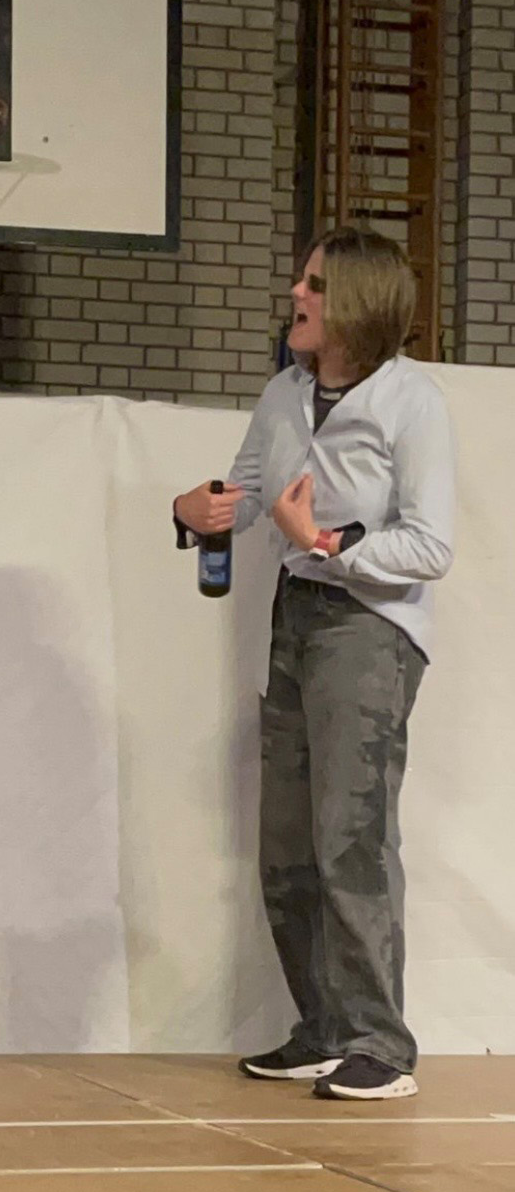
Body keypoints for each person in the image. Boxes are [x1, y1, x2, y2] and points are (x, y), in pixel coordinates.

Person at [173, 227, 455, 1100]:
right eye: (301, 280)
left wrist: (327, 544)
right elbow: (247, 493)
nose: (295, 294)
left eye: (314, 284)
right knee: (286, 845)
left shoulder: (411, 401)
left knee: (349, 836)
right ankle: (324, 1028)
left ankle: (380, 1043)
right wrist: (196, 510)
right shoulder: (283, 394)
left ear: (357, 302)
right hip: (293, 618)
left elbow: (431, 544)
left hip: (367, 627)